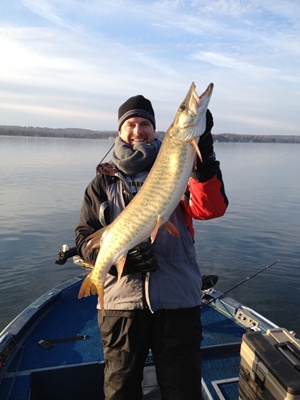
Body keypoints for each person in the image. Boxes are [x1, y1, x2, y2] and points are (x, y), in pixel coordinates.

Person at [75, 94, 228, 400]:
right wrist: (123, 261)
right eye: (130, 123)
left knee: (182, 390)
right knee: (120, 390)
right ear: (120, 131)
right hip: (120, 305)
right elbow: (84, 238)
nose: (137, 130)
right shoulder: (102, 182)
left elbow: (211, 208)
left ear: (156, 129)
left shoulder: (179, 165)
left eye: (144, 123)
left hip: (177, 301)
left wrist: (205, 154)